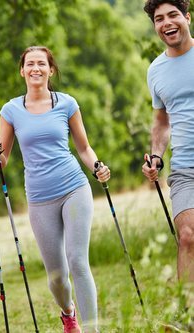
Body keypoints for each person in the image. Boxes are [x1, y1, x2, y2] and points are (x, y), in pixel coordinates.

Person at [0, 46, 110, 333]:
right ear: (22, 70)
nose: (36, 69)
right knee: (56, 276)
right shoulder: (11, 110)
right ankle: (68, 313)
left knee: (78, 262)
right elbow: (2, 159)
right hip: (40, 198)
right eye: (30, 64)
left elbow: (84, 148)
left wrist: (97, 167)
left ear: (51, 70)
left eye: (42, 64)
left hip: (73, 187)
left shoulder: (67, 103)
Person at [142, 0, 194, 285]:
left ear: (187, 17)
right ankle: (189, 317)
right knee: (186, 236)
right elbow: (162, 121)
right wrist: (156, 156)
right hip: (185, 167)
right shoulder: (156, 70)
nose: (167, 23)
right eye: (159, 19)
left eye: (173, 15)